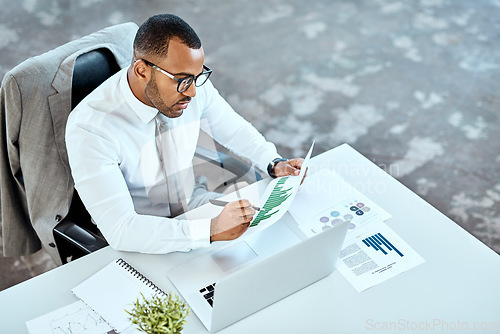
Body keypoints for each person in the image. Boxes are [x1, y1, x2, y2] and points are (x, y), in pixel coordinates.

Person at [65, 14, 304, 254]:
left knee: (276, 243)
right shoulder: (90, 129)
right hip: (144, 233)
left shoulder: (191, 85)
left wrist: (273, 162)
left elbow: (234, 129)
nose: (192, 92)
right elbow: (121, 229)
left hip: (192, 202)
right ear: (141, 71)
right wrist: (209, 230)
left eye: (197, 77)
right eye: (182, 81)